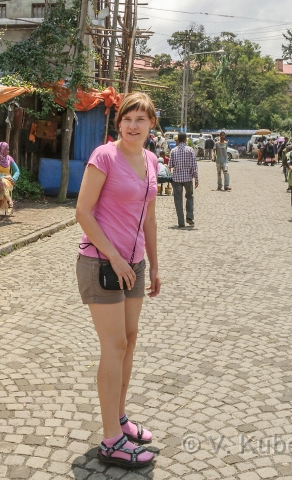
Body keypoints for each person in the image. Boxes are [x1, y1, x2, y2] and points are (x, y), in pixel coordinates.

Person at [74, 92, 161, 469]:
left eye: (140, 119)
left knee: (129, 341)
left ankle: (120, 418)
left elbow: (150, 219)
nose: (132, 125)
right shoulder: (104, 156)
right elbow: (83, 211)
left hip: (135, 265)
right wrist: (114, 256)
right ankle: (111, 440)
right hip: (102, 263)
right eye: (127, 118)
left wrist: (153, 265)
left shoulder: (152, 160)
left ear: (151, 125)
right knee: (113, 346)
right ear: (119, 122)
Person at [169, 132, 199, 228]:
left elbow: (170, 165)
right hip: (188, 178)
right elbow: (194, 166)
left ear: (178, 140)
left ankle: (181, 222)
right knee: (189, 197)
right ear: (185, 139)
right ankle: (189, 217)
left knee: (178, 200)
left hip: (177, 179)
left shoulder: (173, 151)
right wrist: (196, 178)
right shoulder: (190, 150)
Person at [0, 141, 20, 217]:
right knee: (1, 182)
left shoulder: (9, 159)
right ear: (1, 150)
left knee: (2, 185)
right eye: (7, 149)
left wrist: (13, 179)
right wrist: (3, 177)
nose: (8, 151)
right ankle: (9, 200)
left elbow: (17, 171)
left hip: (7, 181)